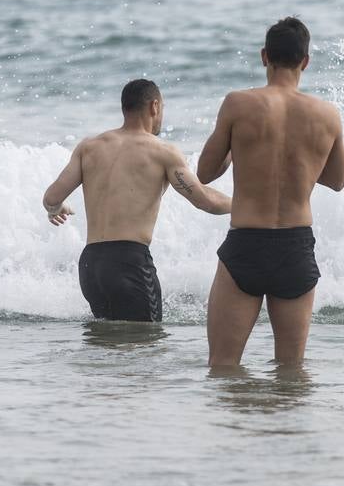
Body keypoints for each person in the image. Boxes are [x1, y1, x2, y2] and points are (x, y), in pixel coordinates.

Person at [196, 17, 344, 372]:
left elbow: (204, 172)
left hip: (246, 244)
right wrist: (303, 162)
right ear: (305, 61)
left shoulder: (237, 104)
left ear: (264, 56)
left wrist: (239, 148)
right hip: (295, 247)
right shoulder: (327, 115)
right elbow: (338, 180)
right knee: (290, 371)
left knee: (222, 367)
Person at [43, 79, 231, 322]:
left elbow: (51, 198)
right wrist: (243, 205)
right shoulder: (162, 151)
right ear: (154, 106)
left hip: (91, 266)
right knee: (147, 345)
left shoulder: (89, 147)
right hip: (129, 263)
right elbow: (204, 200)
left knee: (106, 348)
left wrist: (56, 208)